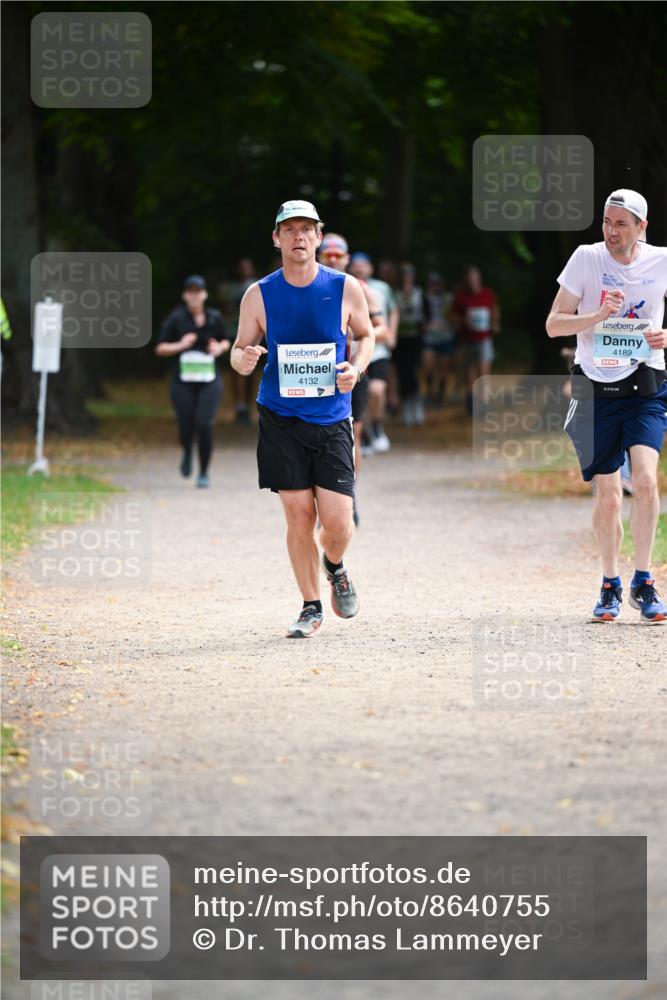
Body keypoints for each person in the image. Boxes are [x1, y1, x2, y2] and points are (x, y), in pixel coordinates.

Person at [231, 200, 375, 638]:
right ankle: (311, 606)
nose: (298, 236)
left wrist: (356, 367)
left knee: (337, 522)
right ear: (276, 238)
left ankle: (334, 564)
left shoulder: (346, 287)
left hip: (332, 418)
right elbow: (237, 353)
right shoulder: (259, 294)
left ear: (318, 236)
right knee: (297, 517)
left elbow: (366, 337)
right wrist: (247, 357)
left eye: (306, 229)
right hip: (281, 417)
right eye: (289, 229)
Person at [546, 188, 667, 623]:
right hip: (595, 388)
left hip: (646, 384)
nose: (611, 231)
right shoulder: (586, 258)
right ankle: (611, 583)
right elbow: (554, 324)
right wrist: (595, 316)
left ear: (641, 228)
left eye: (621, 224)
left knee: (648, 481)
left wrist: (664, 336)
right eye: (607, 222)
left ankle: (644, 579)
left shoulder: (661, 260)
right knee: (610, 497)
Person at [318, 235, 390, 527]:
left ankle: (349, 496)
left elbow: (383, 330)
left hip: (353, 373)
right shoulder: (311, 286)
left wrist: (358, 333)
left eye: (339, 255)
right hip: (316, 372)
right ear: (320, 256)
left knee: (351, 437)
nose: (333, 259)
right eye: (328, 255)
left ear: (347, 258)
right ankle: (323, 500)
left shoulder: (362, 291)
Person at [156, 275, 230, 488]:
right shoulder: (177, 319)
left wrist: (220, 348)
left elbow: (227, 340)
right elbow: (160, 348)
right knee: (186, 423)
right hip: (183, 382)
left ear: (205, 294)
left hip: (209, 380)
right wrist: (180, 345)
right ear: (184, 295)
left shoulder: (214, 317)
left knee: (204, 422)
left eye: (198, 291)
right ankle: (188, 449)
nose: (194, 295)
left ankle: (204, 471)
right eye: (190, 291)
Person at [348, 253, 398, 453]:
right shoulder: (347, 284)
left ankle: (376, 424)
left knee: (376, 390)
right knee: (363, 393)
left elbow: (393, 311)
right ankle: (366, 433)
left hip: (378, 350)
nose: (359, 268)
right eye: (356, 265)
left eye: (364, 265)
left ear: (371, 268)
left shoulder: (380, 288)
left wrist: (390, 332)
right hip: (355, 352)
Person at [451, 266, 500, 414]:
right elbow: (453, 316)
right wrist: (461, 321)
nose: (472, 281)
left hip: (484, 339)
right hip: (467, 340)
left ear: (479, 279)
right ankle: (471, 401)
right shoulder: (461, 297)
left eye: (475, 278)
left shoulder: (487, 294)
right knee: (469, 372)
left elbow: (494, 310)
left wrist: (495, 324)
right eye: (470, 279)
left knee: (484, 371)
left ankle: (485, 403)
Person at [221, 257, 257, 426]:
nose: (245, 270)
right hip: (233, 331)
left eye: (247, 267)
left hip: (254, 334)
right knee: (236, 370)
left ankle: (247, 405)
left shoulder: (256, 286)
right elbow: (226, 308)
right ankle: (239, 405)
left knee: (251, 371)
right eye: (242, 267)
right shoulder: (230, 288)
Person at [394, 262, 425, 427]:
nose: (407, 278)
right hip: (400, 340)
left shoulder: (420, 293)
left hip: (415, 340)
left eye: (409, 274)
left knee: (414, 372)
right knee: (402, 373)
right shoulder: (395, 294)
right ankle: (405, 408)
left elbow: (425, 315)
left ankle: (417, 406)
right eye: (404, 275)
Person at [421, 272, 456, 406]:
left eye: (437, 283)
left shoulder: (448, 298)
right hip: (429, 337)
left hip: (445, 337)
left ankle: (441, 395)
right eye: (432, 283)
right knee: (428, 365)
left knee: (444, 368)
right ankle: (430, 392)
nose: (435, 286)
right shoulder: (423, 298)